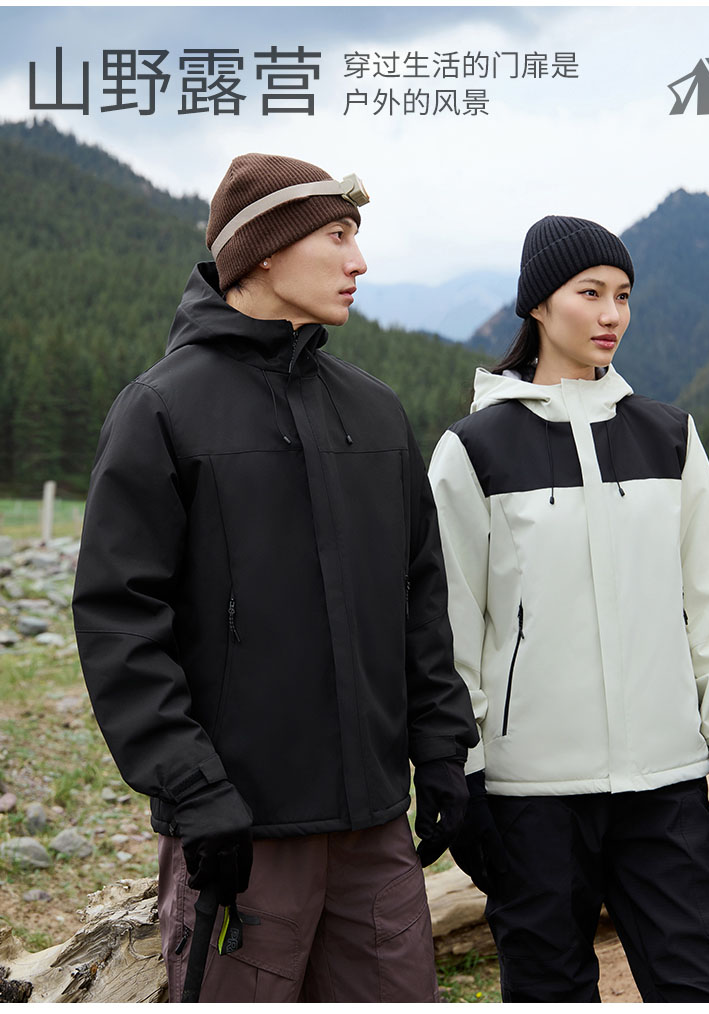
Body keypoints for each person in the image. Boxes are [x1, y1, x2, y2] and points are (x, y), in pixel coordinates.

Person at [72, 153, 477, 1003]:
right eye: (338, 236)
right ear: (261, 252)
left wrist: (441, 749)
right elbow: (119, 621)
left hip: (374, 829)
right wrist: (194, 791)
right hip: (239, 830)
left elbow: (419, 596)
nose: (359, 261)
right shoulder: (160, 410)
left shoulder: (374, 410)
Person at [428, 215, 709, 1003]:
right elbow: (451, 630)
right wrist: (464, 773)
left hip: (666, 789)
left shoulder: (670, 437)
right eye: (589, 293)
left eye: (623, 295)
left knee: (707, 987)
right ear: (537, 306)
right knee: (549, 991)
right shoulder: (473, 451)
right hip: (530, 801)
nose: (611, 314)